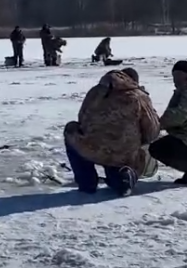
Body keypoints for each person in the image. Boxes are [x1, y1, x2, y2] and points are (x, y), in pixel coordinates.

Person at [64, 68, 159, 196]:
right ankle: (124, 178)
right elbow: (152, 130)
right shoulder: (139, 96)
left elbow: (82, 119)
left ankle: (87, 182)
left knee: (71, 129)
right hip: (123, 152)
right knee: (122, 164)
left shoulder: (94, 93)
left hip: (92, 147)